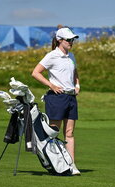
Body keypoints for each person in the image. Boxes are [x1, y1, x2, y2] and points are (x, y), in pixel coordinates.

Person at [32, 27, 81, 175]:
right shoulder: (52, 56)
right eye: (68, 40)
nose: (71, 42)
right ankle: (55, 164)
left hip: (71, 97)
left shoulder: (71, 56)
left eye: (72, 40)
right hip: (57, 97)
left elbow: (75, 72)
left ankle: (71, 165)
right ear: (60, 40)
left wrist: (77, 84)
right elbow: (35, 73)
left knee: (70, 132)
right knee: (53, 132)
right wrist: (51, 85)